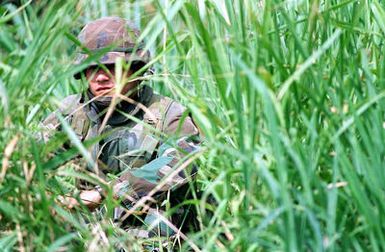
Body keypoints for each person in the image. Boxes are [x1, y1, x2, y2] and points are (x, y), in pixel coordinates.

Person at [40, 16, 201, 241]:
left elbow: (182, 164)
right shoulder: (68, 113)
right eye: (92, 68)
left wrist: (107, 193)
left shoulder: (168, 114)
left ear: (137, 68)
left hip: (143, 227)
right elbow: (32, 160)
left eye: (112, 67)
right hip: (84, 227)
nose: (101, 77)